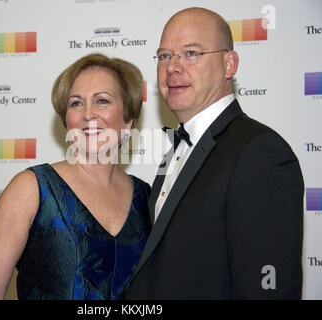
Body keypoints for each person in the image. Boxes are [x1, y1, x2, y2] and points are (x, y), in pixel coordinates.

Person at [126, 7, 304, 299]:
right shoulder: (173, 152)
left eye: (191, 53)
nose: (172, 67)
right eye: (164, 56)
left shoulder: (259, 152)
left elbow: (269, 289)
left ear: (229, 64)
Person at [0, 53, 150, 300]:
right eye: (76, 103)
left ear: (128, 121)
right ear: (66, 120)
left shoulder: (145, 196)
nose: (88, 114)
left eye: (102, 101)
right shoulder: (33, 188)